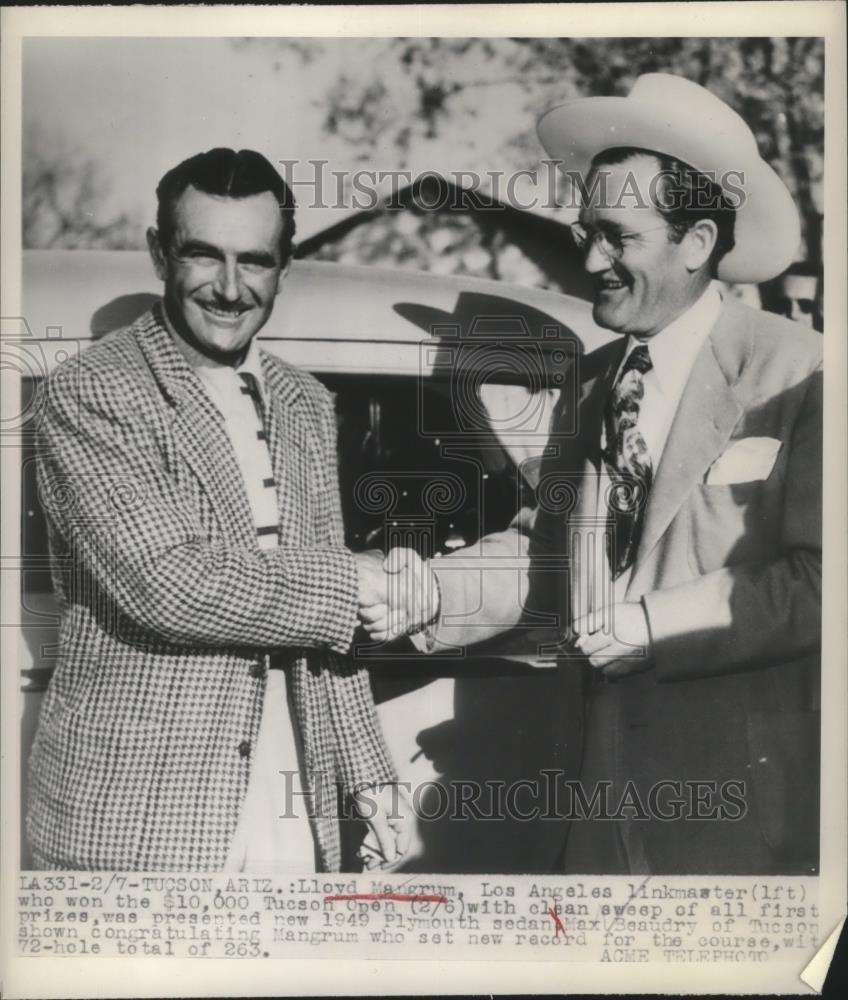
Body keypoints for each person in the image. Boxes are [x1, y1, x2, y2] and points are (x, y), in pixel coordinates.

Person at [367, 74, 822, 876]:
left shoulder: (803, 376)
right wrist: (428, 591)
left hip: (750, 818)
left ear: (698, 243)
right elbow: (547, 561)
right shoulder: (589, 382)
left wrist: (652, 624)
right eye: (587, 231)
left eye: (617, 236)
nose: (589, 258)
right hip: (599, 814)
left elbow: (828, 581)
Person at [29, 147, 411, 872]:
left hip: (287, 780)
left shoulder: (305, 402)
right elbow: (168, 583)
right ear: (158, 254)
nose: (230, 289)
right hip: (139, 810)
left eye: (256, 262)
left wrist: (366, 770)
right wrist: (355, 581)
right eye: (204, 256)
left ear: (284, 267)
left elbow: (323, 632)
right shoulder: (91, 391)